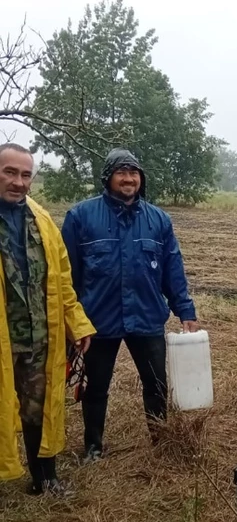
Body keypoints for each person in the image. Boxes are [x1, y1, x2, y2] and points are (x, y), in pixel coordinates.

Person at [62, 148, 199, 462]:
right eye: (121, 172)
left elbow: (172, 268)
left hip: (147, 316)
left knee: (156, 383)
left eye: (134, 173)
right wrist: (72, 319)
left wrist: (185, 310)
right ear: (108, 177)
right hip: (98, 318)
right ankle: (94, 446)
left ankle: (160, 440)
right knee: (96, 387)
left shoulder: (158, 219)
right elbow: (67, 273)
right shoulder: (81, 216)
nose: (128, 179)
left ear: (141, 179)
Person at [0, 143, 95, 495]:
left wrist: (77, 323)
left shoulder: (42, 221)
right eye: (10, 172)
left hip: (39, 337)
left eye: (26, 175)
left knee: (39, 410)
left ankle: (45, 477)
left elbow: (62, 281)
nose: (19, 182)